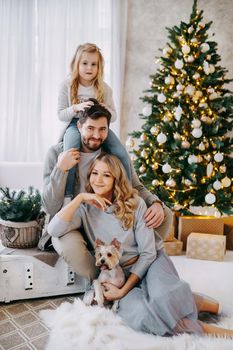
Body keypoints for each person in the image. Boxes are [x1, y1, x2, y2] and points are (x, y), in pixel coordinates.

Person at [47, 153, 233, 338]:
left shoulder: (135, 204)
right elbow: (53, 229)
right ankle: (200, 319)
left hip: (151, 262)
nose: (98, 180)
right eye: (94, 173)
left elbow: (148, 253)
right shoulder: (84, 209)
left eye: (106, 175)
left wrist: (123, 291)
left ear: (116, 179)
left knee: (162, 298)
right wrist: (79, 199)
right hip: (118, 274)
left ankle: (216, 319)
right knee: (142, 315)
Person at [39, 101, 173, 281]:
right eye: (90, 128)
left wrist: (155, 203)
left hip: (104, 216)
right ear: (79, 126)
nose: (96, 135)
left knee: (165, 213)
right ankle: (103, 281)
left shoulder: (114, 155)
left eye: (102, 129)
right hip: (72, 217)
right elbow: (49, 206)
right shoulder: (57, 154)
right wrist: (61, 169)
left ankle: (139, 265)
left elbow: (135, 186)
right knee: (69, 246)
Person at [58, 42, 131, 199]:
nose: (89, 68)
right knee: (70, 151)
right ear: (76, 64)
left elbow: (114, 116)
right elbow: (61, 114)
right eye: (84, 63)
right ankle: (68, 195)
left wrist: (107, 109)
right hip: (75, 124)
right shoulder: (67, 85)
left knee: (121, 152)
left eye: (94, 64)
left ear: (99, 67)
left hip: (99, 126)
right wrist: (76, 108)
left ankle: (128, 193)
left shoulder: (104, 88)